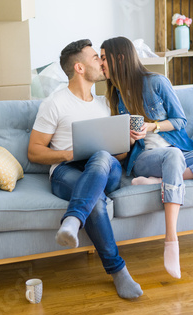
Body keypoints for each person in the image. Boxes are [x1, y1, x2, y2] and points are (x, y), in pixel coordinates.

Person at [100, 36, 193, 279]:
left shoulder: (156, 82)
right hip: (145, 158)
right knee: (172, 156)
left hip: (181, 152)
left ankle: (161, 181)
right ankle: (171, 239)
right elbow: (118, 147)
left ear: (119, 58)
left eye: (104, 58)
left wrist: (152, 127)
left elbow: (180, 121)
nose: (101, 64)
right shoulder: (113, 95)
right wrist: (131, 138)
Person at [27, 39, 142, 299]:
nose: (102, 63)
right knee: (97, 203)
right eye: (95, 58)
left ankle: (73, 219)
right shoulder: (54, 103)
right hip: (66, 170)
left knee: (101, 155)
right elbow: (34, 151)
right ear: (79, 68)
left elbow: (119, 155)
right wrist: (71, 153)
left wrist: (127, 141)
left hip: (105, 167)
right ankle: (118, 272)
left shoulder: (105, 102)